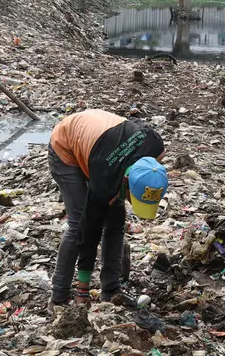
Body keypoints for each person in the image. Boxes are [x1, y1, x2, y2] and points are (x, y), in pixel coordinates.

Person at [48, 109, 168, 313]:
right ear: (127, 182)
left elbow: (137, 123)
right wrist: (83, 288)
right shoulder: (105, 183)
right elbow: (89, 232)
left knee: (116, 220)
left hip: (104, 143)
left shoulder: (156, 148)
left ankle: (111, 289)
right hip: (66, 146)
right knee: (78, 223)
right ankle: (59, 297)